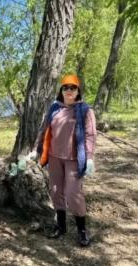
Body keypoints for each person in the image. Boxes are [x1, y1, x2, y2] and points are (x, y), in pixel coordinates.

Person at [37, 74, 97, 247]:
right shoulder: (55, 108)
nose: (69, 91)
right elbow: (45, 130)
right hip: (54, 157)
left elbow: (91, 136)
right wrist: (37, 149)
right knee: (56, 191)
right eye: (66, 87)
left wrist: (90, 158)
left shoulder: (85, 110)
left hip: (73, 159)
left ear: (78, 90)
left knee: (73, 194)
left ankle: (82, 231)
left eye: (73, 88)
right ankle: (61, 226)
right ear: (61, 90)